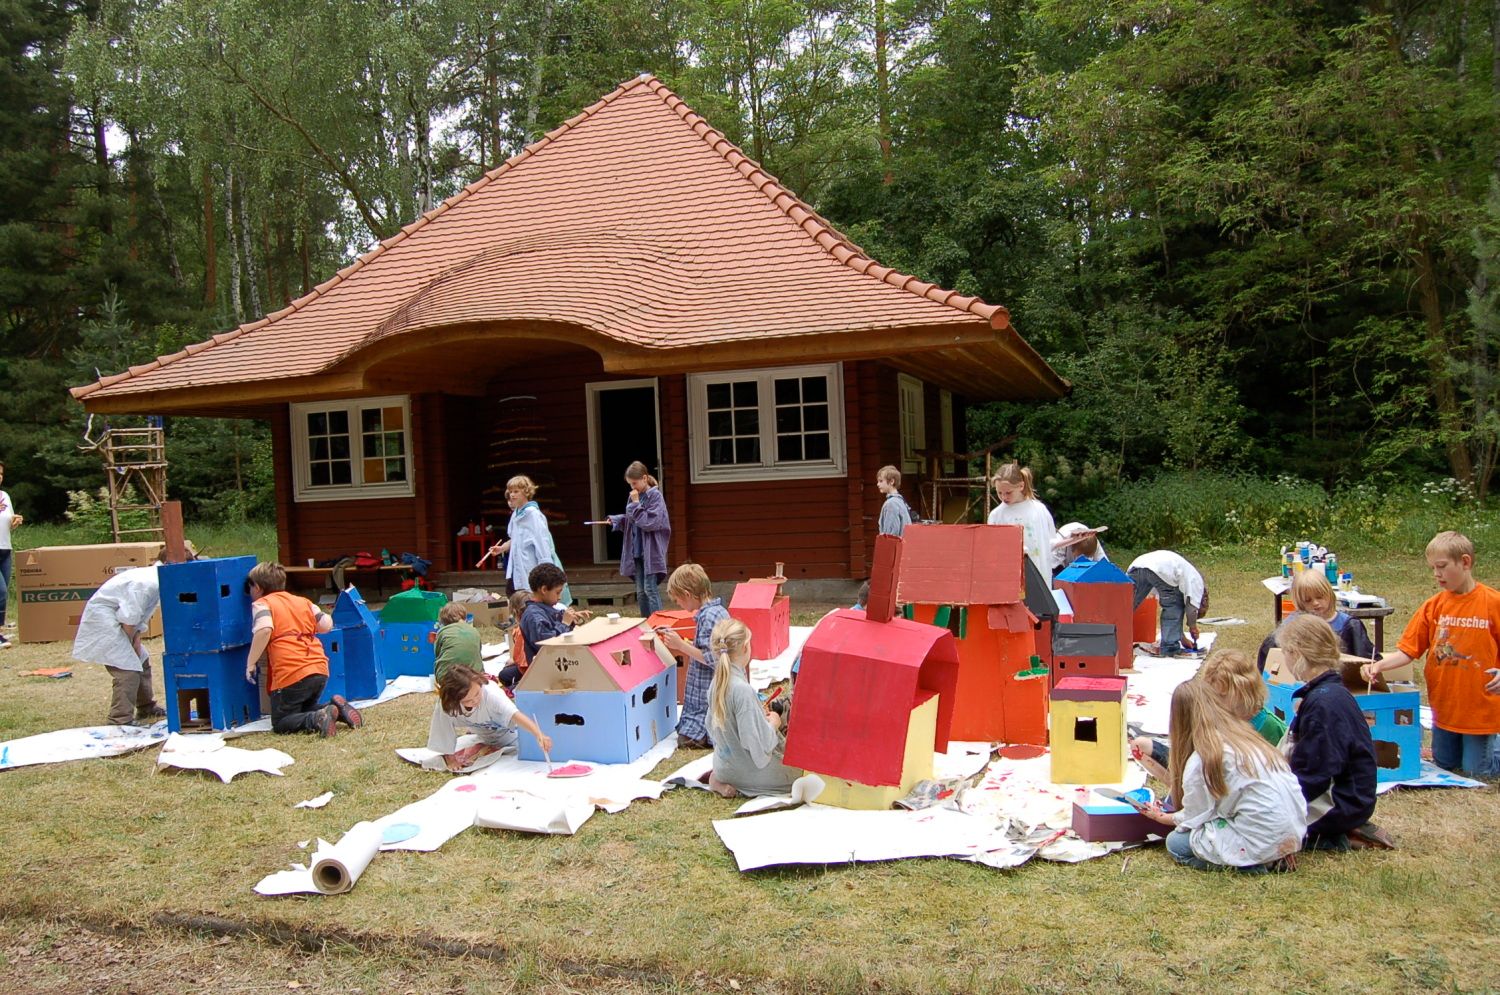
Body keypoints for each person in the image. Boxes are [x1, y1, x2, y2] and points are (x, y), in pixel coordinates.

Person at [1362, 530, 1500, 777]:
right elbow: (1407, 651)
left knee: (1476, 772)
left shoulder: (1492, 603)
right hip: (1445, 706)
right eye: (1433, 568)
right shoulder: (1433, 606)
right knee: (1444, 765)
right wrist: (1378, 666)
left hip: (1480, 709)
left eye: (1442, 567)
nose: (1436, 574)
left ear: (1465, 562)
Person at [1139, 680, 1305, 873]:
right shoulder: (1248, 737)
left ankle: (1255, 866)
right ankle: (1273, 855)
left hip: (1261, 835)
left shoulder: (1204, 758)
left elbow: (1195, 816)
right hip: (1294, 829)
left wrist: (1163, 818)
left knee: (1176, 843)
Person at [1279, 613, 1388, 849]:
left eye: (1285, 652)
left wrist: (1280, 802)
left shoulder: (1324, 704)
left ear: (1296, 653)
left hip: (1340, 802)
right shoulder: (1325, 692)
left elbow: (1315, 774)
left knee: (1258, 825)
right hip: (1346, 795)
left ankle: (1338, 837)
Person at [1131, 648, 1288, 789]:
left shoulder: (1269, 726)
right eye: (1210, 696)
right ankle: (1181, 794)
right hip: (1206, 781)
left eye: (1221, 696)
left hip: (1238, 791)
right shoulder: (1213, 715)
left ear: (1243, 692)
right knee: (1141, 746)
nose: (1215, 703)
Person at [244, 562, 360, 738]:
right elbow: (326, 624)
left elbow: (265, 629)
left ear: (258, 588)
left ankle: (317, 719)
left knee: (282, 721)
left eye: (249, 587)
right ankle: (334, 708)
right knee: (302, 707)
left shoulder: (262, 604)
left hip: (291, 672)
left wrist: (250, 663)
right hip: (319, 668)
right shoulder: (303, 601)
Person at [703, 618, 798, 798]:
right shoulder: (741, 690)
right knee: (804, 774)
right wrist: (773, 724)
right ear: (745, 647)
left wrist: (757, 718)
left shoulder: (717, 683)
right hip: (748, 773)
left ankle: (718, 778)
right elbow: (755, 743)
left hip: (725, 768)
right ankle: (742, 782)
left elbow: (712, 727)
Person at [72, 566, 166, 725]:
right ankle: (119, 720)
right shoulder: (147, 583)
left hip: (120, 620)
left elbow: (136, 617)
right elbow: (128, 619)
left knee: (141, 660)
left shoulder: (155, 580)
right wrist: (130, 643)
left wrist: (136, 639)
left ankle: (146, 706)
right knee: (127, 669)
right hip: (105, 621)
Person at [658, 562, 731, 749]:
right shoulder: (716, 611)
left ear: (687, 594)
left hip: (706, 696)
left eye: (678, 600)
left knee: (685, 740)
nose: (679, 604)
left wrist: (680, 645)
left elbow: (714, 658)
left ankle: (705, 735)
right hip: (708, 696)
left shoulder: (708, 617)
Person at [428, 665, 552, 772]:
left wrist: (538, 733)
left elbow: (515, 714)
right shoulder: (448, 704)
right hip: (483, 733)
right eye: (468, 701)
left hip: (507, 733)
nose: (475, 700)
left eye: (477, 694)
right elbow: (442, 728)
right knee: (443, 713)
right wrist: (451, 758)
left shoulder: (491, 694)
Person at [1257, 570, 1373, 672]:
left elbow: (1367, 659)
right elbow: (1268, 658)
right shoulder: (1292, 626)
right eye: (1308, 600)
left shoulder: (1349, 626)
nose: (1315, 603)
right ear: (1300, 602)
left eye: (1320, 597)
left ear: (1329, 593)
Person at [487, 475, 567, 600]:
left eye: (516, 491)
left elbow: (542, 543)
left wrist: (546, 571)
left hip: (530, 566)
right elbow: (515, 539)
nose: (512, 495)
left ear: (526, 492)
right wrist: (502, 548)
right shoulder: (515, 514)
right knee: (515, 598)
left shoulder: (533, 515)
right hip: (516, 567)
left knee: (531, 598)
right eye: (511, 492)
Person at [607, 461, 671, 617]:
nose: (632, 488)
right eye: (630, 484)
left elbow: (650, 522)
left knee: (650, 589)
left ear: (644, 478)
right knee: (641, 591)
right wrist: (616, 520)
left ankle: (658, 622)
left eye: (634, 483)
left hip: (650, 551)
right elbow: (632, 519)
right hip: (637, 550)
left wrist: (636, 503)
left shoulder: (655, 496)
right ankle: (645, 621)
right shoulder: (634, 497)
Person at [1126, 550, 1208, 657]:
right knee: (1174, 605)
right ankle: (1170, 648)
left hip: (1138, 565)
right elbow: (1191, 609)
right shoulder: (1198, 585)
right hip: (1161, 570)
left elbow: (1175, 621)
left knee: (1126, 605)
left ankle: (1113, 640)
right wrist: (1193, 627)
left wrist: (1182, 638)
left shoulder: (1187, 575)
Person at [986, 462, 1056, 585]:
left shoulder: (1039, 510)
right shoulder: (996, 515)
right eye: (999, 493)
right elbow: (993, 552)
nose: (1003, 497)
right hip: (1011, 581)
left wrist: (1072, 539)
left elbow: (1049, 543)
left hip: (1041, 578)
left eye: (1008, 493)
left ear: (1021, 486)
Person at [518, 563, 590, 663]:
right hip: (546, 667)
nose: (559, 597)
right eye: (557, 592)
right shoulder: (534, 616)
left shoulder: (545, 609)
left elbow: (555, 622)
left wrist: (572, 619)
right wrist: (564, 623)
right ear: (544, 590)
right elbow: (548, 645)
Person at [433, 602, 483, 685]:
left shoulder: (443, 632)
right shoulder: (474, 630)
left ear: (443, 620)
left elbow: (437, 653)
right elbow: (478, 651)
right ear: (464, 617)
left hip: (446, 678)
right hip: (475, 676)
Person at [0, 460, 22, 648]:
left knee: (3, 592)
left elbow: (8, 523)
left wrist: (15, 521)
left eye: (0, 474)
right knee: (0, 592)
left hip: (5, 548)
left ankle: (0, 628)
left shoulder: (5, 496)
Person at [500, 589, 531, 690]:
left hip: (530, 671)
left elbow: (524, 665)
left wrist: (515, 661)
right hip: (533, 666)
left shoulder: (521, 630)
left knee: (504, 675)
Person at [876, 465, 913, 537]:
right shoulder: (900, 501)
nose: (878, 484)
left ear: (892, 481)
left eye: (881, 481)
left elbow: (890, 535)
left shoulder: (891, 504)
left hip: (896, 547)